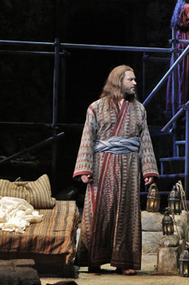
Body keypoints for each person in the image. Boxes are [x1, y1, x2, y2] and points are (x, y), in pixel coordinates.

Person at [73, 65, 159, 276]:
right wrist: (85, 167)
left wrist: (148, 170)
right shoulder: (96, 107)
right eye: (130, 79)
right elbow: (87, 137)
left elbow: (144, 140)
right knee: (99, 212)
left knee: (127, 211)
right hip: (102, 164)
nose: (135, 83)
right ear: (118, 81)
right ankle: (94, 260)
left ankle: (125, 261)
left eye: (135, 79)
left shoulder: (139, 109)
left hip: (129, 164)